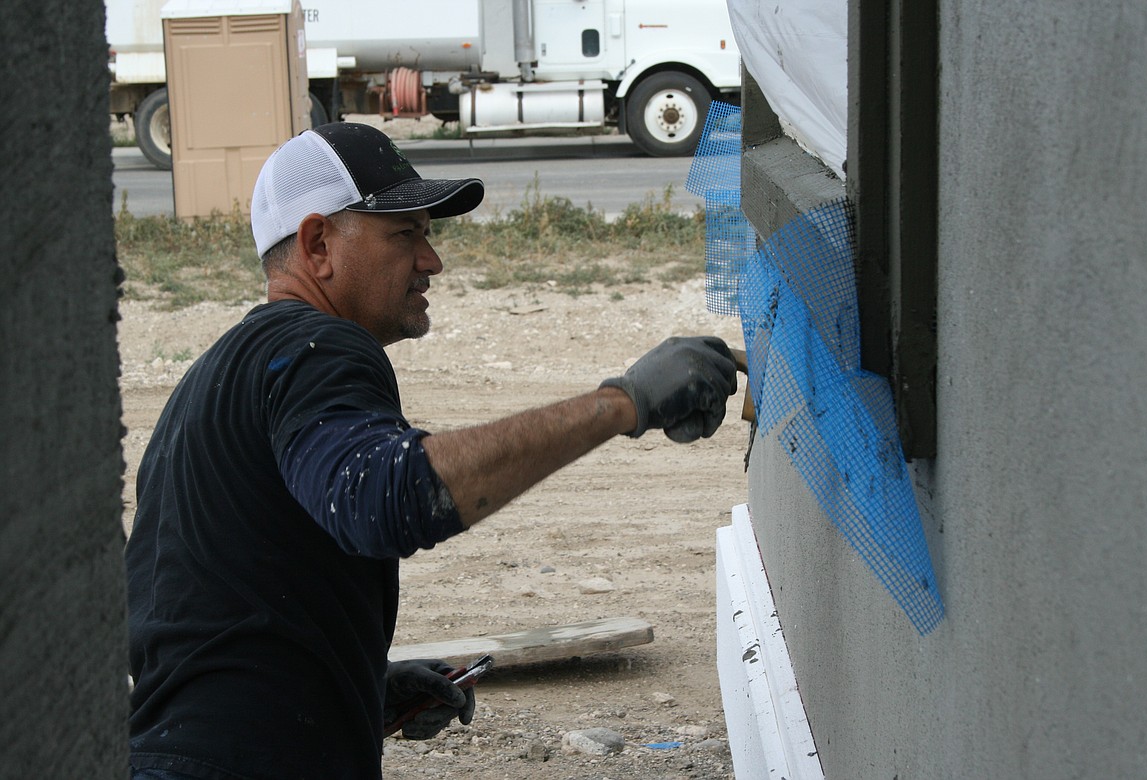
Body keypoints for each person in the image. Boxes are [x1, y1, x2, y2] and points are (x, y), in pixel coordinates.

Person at [125, 121, 737, 780]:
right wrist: (623, 403)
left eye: (427, 235)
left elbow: (203, 621)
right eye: (404, 235)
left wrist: (360, 687)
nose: (431, 260)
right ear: (317, 243)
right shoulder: (316, 349)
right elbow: (385, 494)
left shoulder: (212, 384)